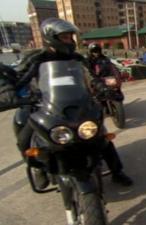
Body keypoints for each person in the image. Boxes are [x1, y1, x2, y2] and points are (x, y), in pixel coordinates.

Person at [14, 18, 132, 188]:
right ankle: (38, 169)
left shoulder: (77, 58)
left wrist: (104, 89)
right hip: (44, 104)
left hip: (77, 103)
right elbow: (19, 77)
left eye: (71, 37)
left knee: (102, 137)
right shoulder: (36, 58)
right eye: (65, 37)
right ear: (51, 37)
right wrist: (10, 91)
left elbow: (91, 76)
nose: (70, 41)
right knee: (22, 132)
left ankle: (116, 171)